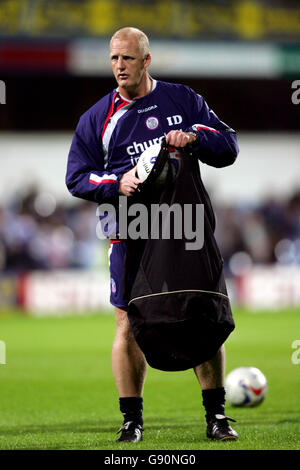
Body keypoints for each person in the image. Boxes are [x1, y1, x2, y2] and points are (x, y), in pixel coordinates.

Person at [66, 27, 239, 443]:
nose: (119, 67)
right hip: (129, 229)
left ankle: (216, 417)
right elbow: (76, 177)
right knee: (127, 322)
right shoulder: (97, 118)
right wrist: (115, 183)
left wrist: (195, 138)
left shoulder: (183, 99)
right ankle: (132, 420)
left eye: (127, 58)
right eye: (113, 59)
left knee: (201, 311)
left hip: (184, 225)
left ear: (146, 60)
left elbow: (229, 145)